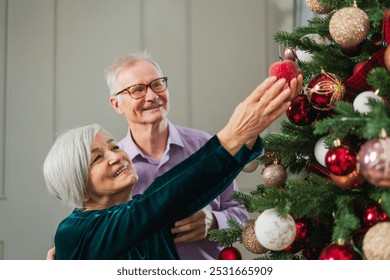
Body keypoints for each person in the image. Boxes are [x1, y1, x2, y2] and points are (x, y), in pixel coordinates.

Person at [43, 73, 301, 259]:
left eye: (113, 146)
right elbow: (161, 201)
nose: (115, 156)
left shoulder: (144, 211)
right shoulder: (73, 232)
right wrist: (232, 135)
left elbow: (179, 188)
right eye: (97, 158)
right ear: (77, 184)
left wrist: (247, 135)